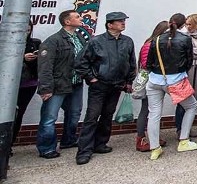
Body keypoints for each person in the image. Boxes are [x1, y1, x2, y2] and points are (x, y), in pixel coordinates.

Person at [74, 11, 136, 165]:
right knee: (92, 117)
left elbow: (131, 62)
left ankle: (100, 144)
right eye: (119, 21)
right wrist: (91, 78)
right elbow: (81, 63)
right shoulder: (96, 41)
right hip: (99, 85)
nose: (123, 23)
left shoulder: (127, 41)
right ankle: (84, 150)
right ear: (110, 24)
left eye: (123, 20)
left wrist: (129, 81)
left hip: (116, 85)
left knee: (108, 115)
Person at [146, 13, 197, 160]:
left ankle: (154, 148)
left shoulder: (157, 39)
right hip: (176, 80)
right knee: (191, 106)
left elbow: (149, 63)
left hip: (155, 80)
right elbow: (188, 61)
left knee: (153, 114)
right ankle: (183, 140)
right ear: (183, 24)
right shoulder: (185, 39)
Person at [36, 10, 86, 159]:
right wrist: (45, 88)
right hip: (58, 84)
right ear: (67, 22)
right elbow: (45, 66)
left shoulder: (79, 38)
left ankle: (68, 140)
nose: (81, 18)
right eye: (77, 17)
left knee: (74, 113)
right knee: (50, 117)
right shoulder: (54, 40)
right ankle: (46, 148)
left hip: (76, 83)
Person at [136, 20, 169, 152]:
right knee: (146, 110)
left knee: (153, 111)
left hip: (158, 78)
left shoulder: (155, 43)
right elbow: (145, 64)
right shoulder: (150, 44)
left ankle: (153, 137)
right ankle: (141, 138)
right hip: (151, 79)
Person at [14, 22, 40, 152]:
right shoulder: (6, 43)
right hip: (10, 84)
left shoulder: (34, 43)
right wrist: (22, 58)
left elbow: (40, 65)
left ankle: (9, 145)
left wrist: (36, 57)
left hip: (28, 83)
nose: (27, 33)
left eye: (29, 30)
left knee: (19, 114)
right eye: (24, 30)